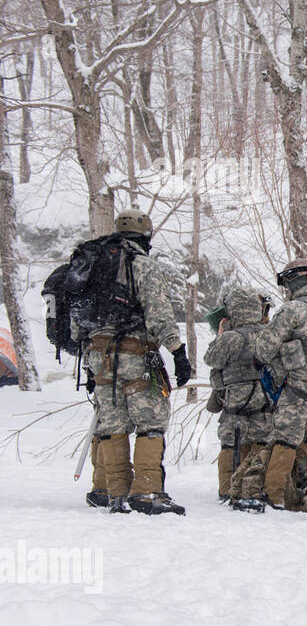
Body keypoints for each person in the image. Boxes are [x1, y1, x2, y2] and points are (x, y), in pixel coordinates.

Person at [81, 209, 191, 515]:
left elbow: (79, 322)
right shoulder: (142, 265)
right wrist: (177, 350)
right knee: (151, 422)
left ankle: (116, 494)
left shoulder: (93, 268)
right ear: (147, 235)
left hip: (97, 358)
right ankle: (146, 491)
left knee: (113, 424)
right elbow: (158, 313)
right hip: (135, 355)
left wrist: (90, 362)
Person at [236, 259, 307, 512]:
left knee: (287, 438)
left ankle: (274, 496)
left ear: (294, 282)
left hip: (299, 382)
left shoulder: (293, 309)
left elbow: (264, 348)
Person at [203, 285, 274, 503]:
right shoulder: (268, 334)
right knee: (261, 442)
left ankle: (227, 489)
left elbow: (211, 359)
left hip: (234, 402)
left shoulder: (230, 338)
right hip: (263, 399)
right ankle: (255, 486)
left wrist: (221, 335)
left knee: (230, 443)